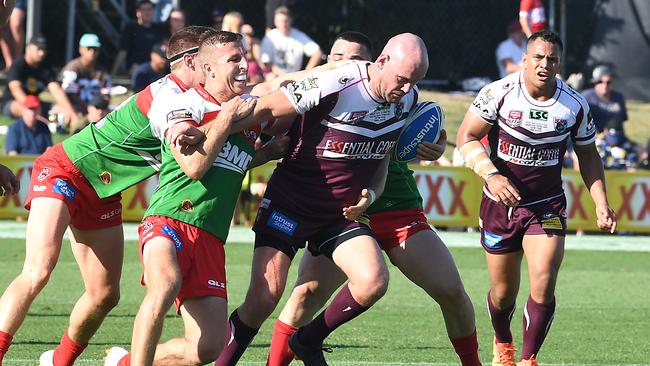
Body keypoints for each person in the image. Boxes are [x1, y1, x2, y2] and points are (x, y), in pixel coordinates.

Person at [262, 31, 482, 366]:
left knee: (451, 291)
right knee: (305, 295)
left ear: (374, 62)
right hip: (340, 213)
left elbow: (419, 133)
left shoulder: (398, 91)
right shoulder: (322, 89)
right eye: (338, 59)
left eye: (354, 59)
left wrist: (432, 144)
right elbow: (276, 95)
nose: (346, 65)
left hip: (394, 205)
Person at [0, 26, 212, 366]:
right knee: (39, 268)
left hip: (103, 191)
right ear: (192, 61)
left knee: (105, 295)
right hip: (66, 168)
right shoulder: (171, 96)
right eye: (213, 60)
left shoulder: (198, 98)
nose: (220, 68)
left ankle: (59, 360)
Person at [215, 32, 428, 366]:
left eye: (415, 81)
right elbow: (268, 105)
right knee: (263, 298)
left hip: (338, 214)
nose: (406, 89)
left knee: (373, 281)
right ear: (382, 61)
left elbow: (383, 158)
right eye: (402, 79)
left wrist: (370, 195)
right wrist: (212, 129)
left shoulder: (409, 98)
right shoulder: (336, 82)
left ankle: (307, 340)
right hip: (291, 203)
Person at [102, 30, 294, 366]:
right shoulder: (183, 103)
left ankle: (125, 361)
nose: (243, 65)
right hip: (169, 220)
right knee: (164, 285)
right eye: (234, 59)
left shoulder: (246, 110)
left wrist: (268, 152)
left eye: (244, 56)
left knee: (207, 350)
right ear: (208, 68)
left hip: (209, 237)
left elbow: (234, 162)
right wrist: (225, 120)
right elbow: (195, 167)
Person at [456, 30, 617, 366]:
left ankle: (528, 359)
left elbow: (589, 156)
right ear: (526, 59)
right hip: (500, 205)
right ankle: (503, 341)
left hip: (547, 205)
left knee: (543, 280)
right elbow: (466, 137)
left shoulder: (574, 104)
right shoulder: (497, 93)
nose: (545, 64)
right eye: (539, 57)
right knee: (502, 295)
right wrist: (492, 175)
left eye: (552, 59)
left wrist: (601, 203)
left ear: (560, 64)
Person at [1, 35, 79, 128]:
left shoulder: (45, 66)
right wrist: (33, 111)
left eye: (44, 50)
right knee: (20, 108)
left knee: (63, 109)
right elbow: (16, 90)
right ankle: (48, 124)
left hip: (37, 104)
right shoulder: (18, 64)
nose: (42, 53)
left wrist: (71, 112)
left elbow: (56, 89)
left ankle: (61, 122)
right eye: (39, 49)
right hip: (14, 103)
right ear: (29, 47)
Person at [60, 33, 112, 128]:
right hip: (76, 108)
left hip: (98, 109)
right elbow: (67, 94)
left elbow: (106, 95)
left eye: (95, 49)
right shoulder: (73, 68)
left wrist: (98, 108)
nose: (92, 51)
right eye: (89, 48)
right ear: (81, 49)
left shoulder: (103, 71)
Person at [260, 6, 322, 78]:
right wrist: (285, 76)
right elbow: (266, 62)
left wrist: (306, 73)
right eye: (280, 21)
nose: (283, 24)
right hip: (276, 76)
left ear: (291, 20)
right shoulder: (269, 38)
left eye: (285, 21)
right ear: (275, 21)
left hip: (296, 76)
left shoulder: (299, 36)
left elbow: (318, 53)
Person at [111, 0, 163, 75]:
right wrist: (113, 72)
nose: (147, 12)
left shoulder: (157, 29)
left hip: (154, 68)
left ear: (153, 11)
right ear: (138, 12)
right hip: (136, 67)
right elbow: (123, 51)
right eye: (144, 9)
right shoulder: (130, 28)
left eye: (149, 9)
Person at [581, 65, 628, 134]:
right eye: (600, 82)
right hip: (593, 138)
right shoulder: (586, 97)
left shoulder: (618, 97)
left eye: (608, 82)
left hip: (615, 137)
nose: (605, 85)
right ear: (595, 82)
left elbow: (622, 121)